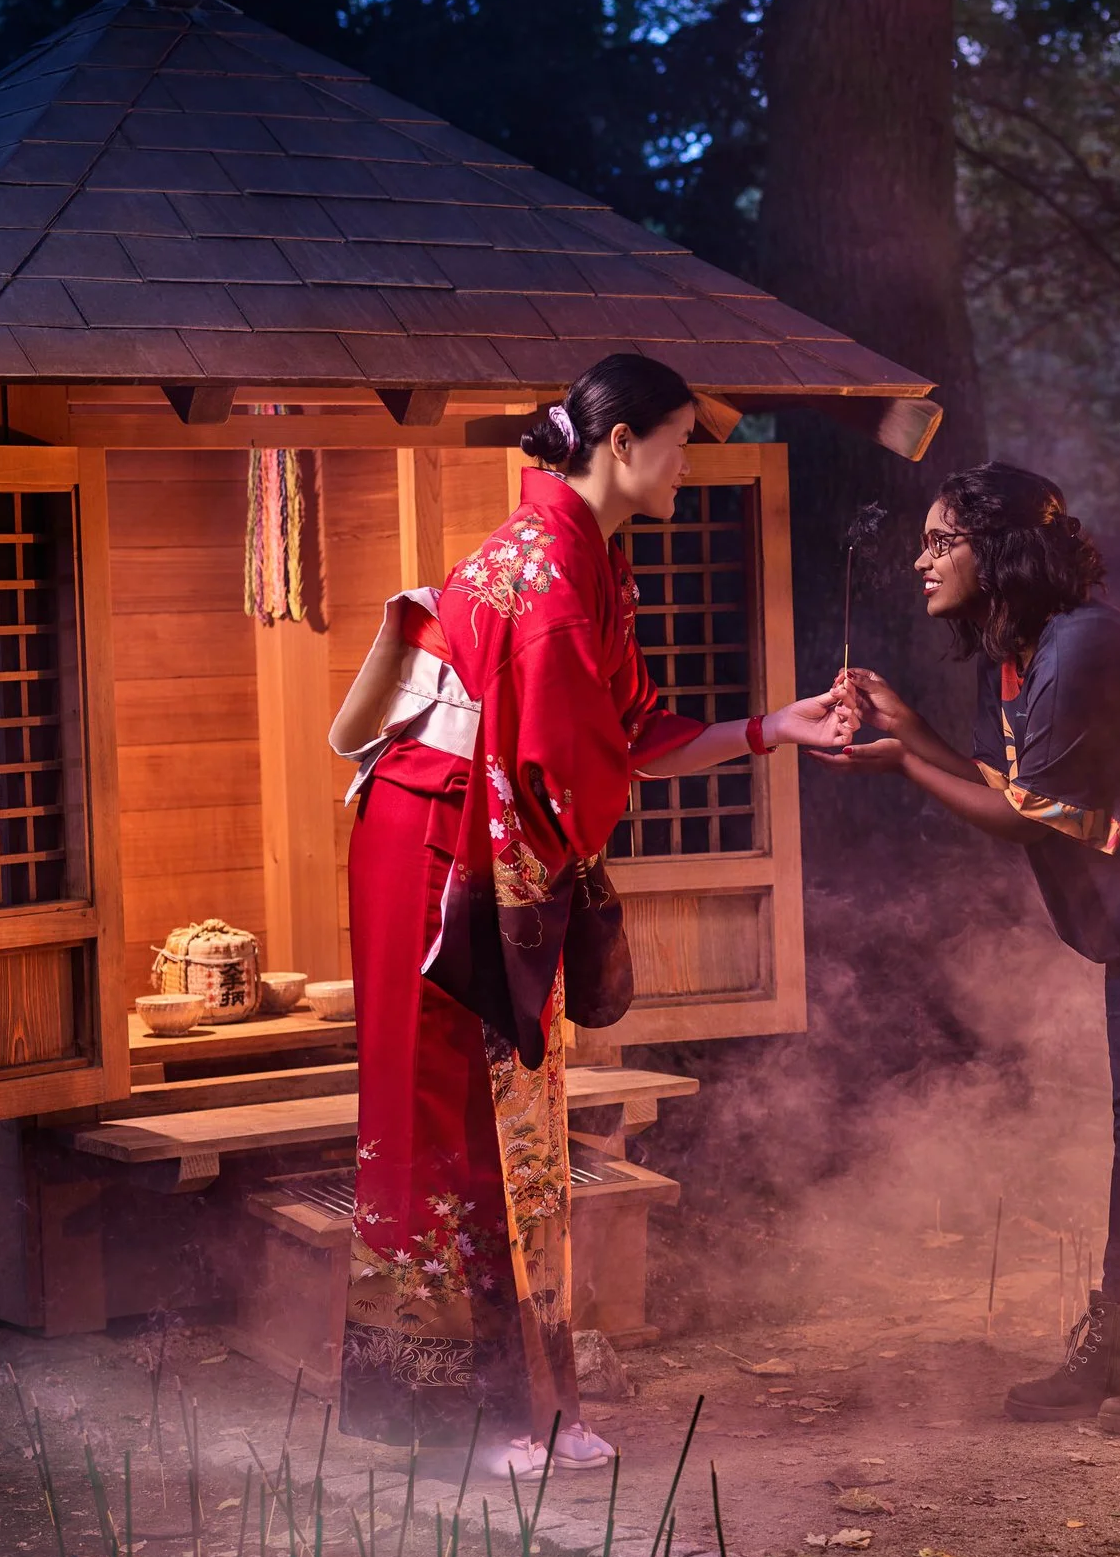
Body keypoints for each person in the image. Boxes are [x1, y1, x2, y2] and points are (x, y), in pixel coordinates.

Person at [327, 353, 856, 1479]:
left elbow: (628, 735)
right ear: (621, 444)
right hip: (438, 843)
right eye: (679, 443)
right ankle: (469, 1415)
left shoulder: (588, 559)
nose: (687, 465)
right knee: (453, 1115)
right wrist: (572, 837)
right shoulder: (551, 576)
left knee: (510, 1118)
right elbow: (569, 770)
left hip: (479, 824)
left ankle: (521, 1402)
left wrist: (774, 729)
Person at [825, 463, 1120, 1434]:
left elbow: (1024, 821)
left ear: (1000, 550)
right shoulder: (1025, 653)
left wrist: (903, 760)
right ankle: (1119, 1342)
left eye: (941, 541)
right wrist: (912, 729)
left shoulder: (1079, 649)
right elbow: (1034, 795)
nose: (920, 560)